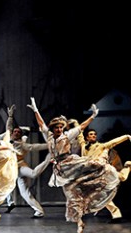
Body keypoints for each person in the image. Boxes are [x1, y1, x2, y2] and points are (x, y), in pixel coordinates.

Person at [27, 97, 119, 233]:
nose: (59, 129)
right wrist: (35, 110)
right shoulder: (49, 136)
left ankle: (104, 160)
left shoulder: (67, 135)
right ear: (53, 128)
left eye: (60, 127)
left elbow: (81, 127)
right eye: (56, 127)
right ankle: (80, 223)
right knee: (71, 197)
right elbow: (41, 124)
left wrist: (93, 116)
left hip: (71, 163)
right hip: (61, 170)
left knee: (94, 163)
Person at [77, 128, 131, 223]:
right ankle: (116, 214)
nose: (93, 136)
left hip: (102, 171)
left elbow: (113, 142)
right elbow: (80, 137)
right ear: (87, 137)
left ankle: (128, 165)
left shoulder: (101, 146)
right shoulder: (83, 146)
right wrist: (78, 126)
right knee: (99, 194)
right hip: (92, 175)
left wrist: (126, 136)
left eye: (94, 134)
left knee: (122, 178)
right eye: (91, 134)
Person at [6, 104, 50, 218]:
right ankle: (39, 211)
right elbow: (8, 128)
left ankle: (48, 159)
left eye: (18, 132)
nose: (16, 133)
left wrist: (50, 145)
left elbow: (34, 147)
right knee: (24, 193)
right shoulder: (8, 139)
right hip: (12, 170)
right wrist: (10, 116)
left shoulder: (21, 144)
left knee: (34, 174)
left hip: (20, 168)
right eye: (14, 131)